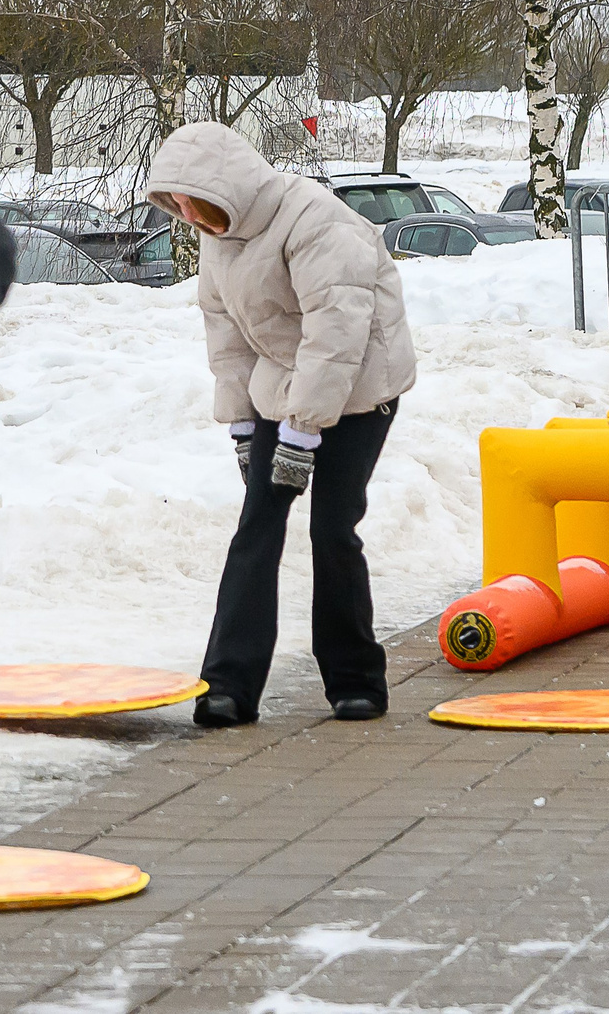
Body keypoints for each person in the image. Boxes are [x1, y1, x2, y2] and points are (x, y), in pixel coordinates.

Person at [147, 122, 417, 726]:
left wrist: (303, 431)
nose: (186, 212)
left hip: (361, 387)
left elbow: (337, 335)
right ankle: (227, 686)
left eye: (194, 198)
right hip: (285, 385)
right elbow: (229, 338)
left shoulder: (318, 223)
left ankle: (356, 682)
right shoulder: (218, 237)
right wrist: (244, 422)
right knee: (257, 526)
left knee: (333, 526)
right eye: (176, 202)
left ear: (228, 186)